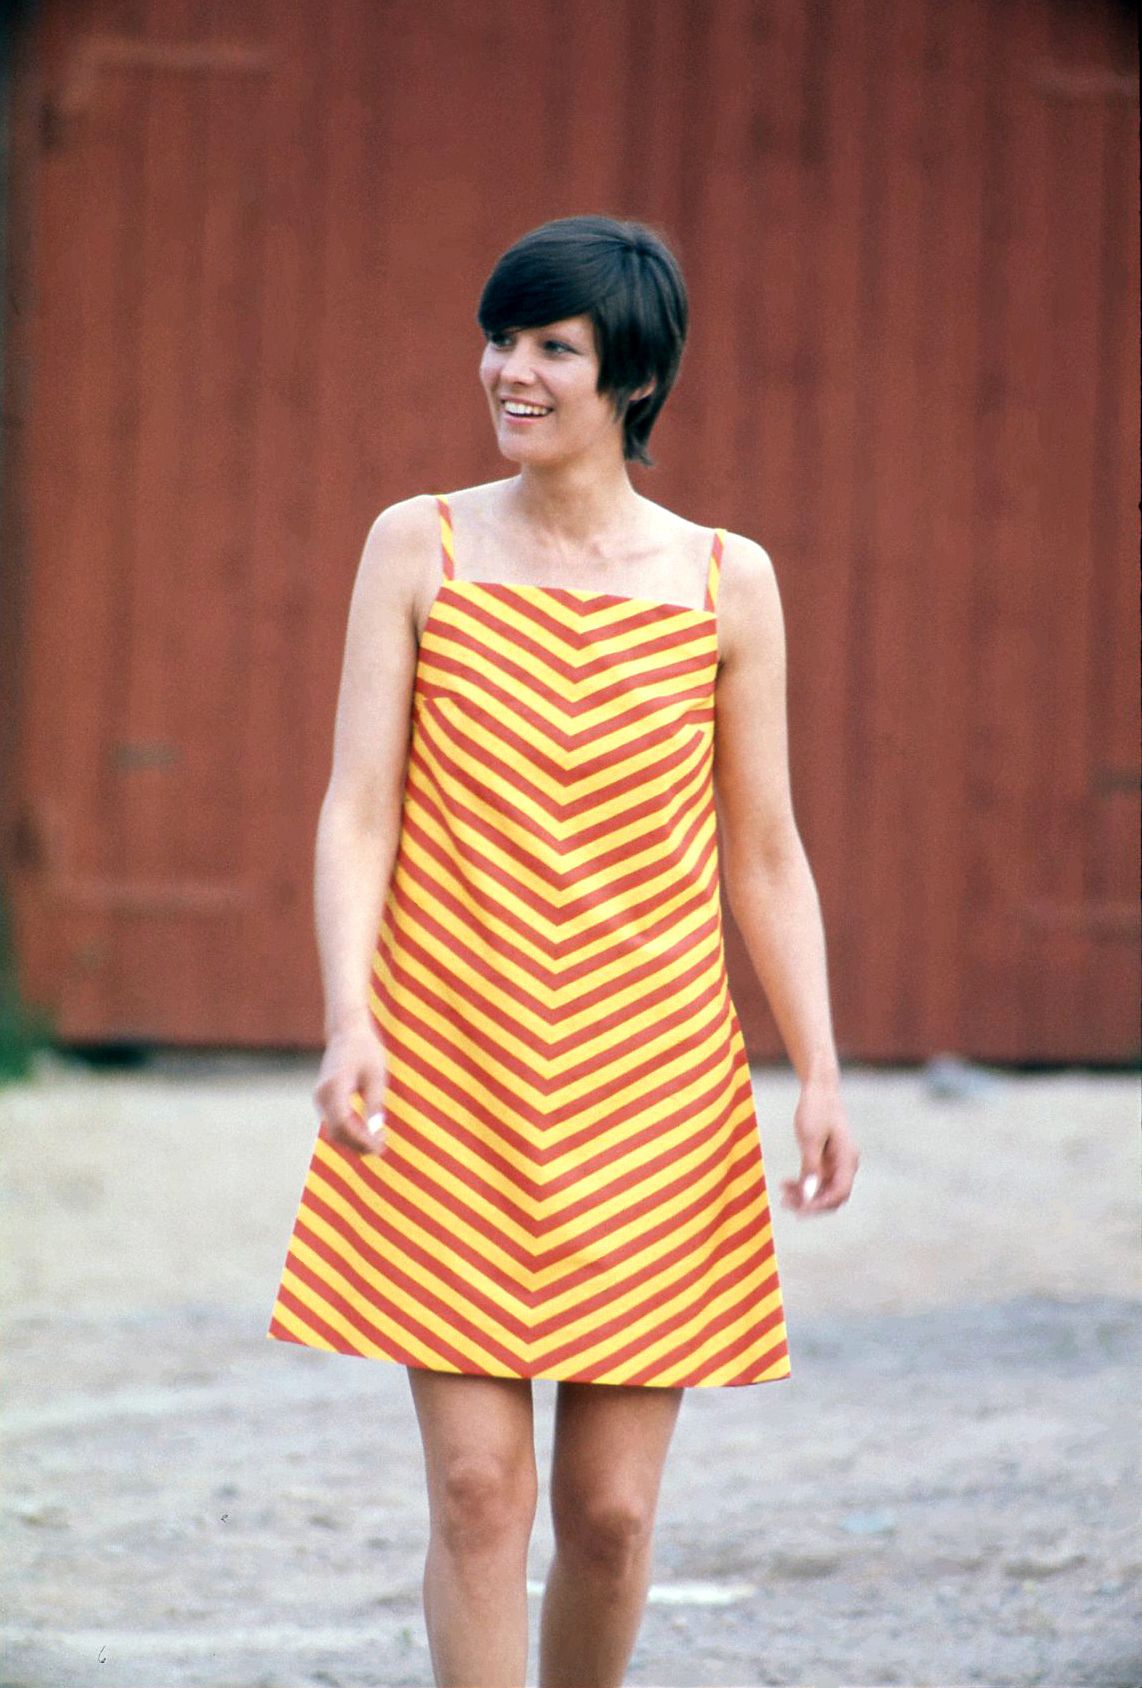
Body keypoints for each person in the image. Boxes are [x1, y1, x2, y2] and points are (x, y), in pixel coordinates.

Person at [268, 213, 859, 1688]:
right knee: (480, 1494)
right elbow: (356, 808)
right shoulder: (418, 543)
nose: (509, 371)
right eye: (500, 338)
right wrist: (348, 1016)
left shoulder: (727, 579)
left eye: (552, 347)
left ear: (633, 379)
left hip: (654, 1091)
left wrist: (819, 1070)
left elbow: (764, 850)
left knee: (609, 1515)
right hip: (449, 1074)